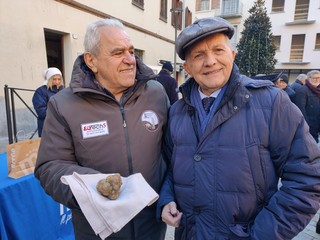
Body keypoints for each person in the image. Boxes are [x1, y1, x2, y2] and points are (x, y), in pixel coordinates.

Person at [157, 17, 320, 239]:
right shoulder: (177, 111)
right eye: (198, 55)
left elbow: (308, 178)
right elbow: (169, 168)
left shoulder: (271, 103)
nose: (210, 61)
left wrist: (262, 235)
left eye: (218, 50)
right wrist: (167, 199)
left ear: (232, 55)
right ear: (187, 67)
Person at [34, 18, 169, 240]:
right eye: (118, 53)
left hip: (151, 226)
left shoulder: (155, 93)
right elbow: (49, 166)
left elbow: (173, 151)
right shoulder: (62, 104)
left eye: (131, 51)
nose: (130, 60)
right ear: (91, 60)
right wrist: (93, 188)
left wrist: (169, 196)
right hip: (98, 232)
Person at [32, 67, 64, 137]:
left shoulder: (63, 90)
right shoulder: (40, 92)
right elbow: (41, 112)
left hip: (62, 126)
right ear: (49, 79)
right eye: (54, 79)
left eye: (59, 79)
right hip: (48, 127)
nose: (57, 82)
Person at [294, 70, 320, 143]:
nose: (317, 80)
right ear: (308, 78)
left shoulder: (318, 90)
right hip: (308, 125)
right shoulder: (302, 90)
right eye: (314, 78)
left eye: (318, 78)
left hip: (317, 124)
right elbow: (300, 109)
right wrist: (306, 125)